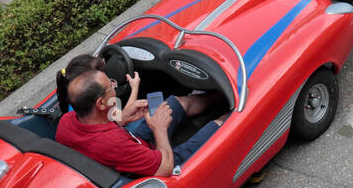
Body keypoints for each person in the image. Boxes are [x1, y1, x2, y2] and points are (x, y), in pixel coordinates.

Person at [57, 69, 227, 177]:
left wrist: (123, 118)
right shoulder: (115, 143)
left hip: (131, 147)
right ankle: (237, 109)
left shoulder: (67, 121)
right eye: (111, 86)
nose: (115, 88)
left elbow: (100, 134)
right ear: (100, 104)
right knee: (218, 126)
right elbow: (165, 169)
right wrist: (159, 128)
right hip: (154, 165)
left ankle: (221, 94)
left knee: (174, 103)